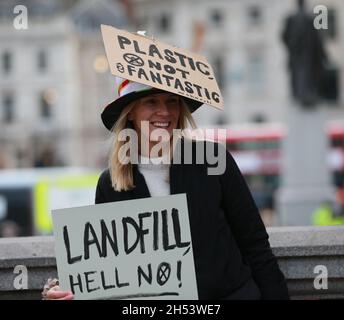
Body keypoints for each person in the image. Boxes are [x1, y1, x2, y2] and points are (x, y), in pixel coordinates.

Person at [43, 77, 289, 300]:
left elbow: (255, 244)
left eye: (172, 101)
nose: (165, 111)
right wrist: (63, 289)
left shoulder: (213, 160)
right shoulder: (110, 184)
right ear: (130, 113)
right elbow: (108, 270)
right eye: (151, 101)